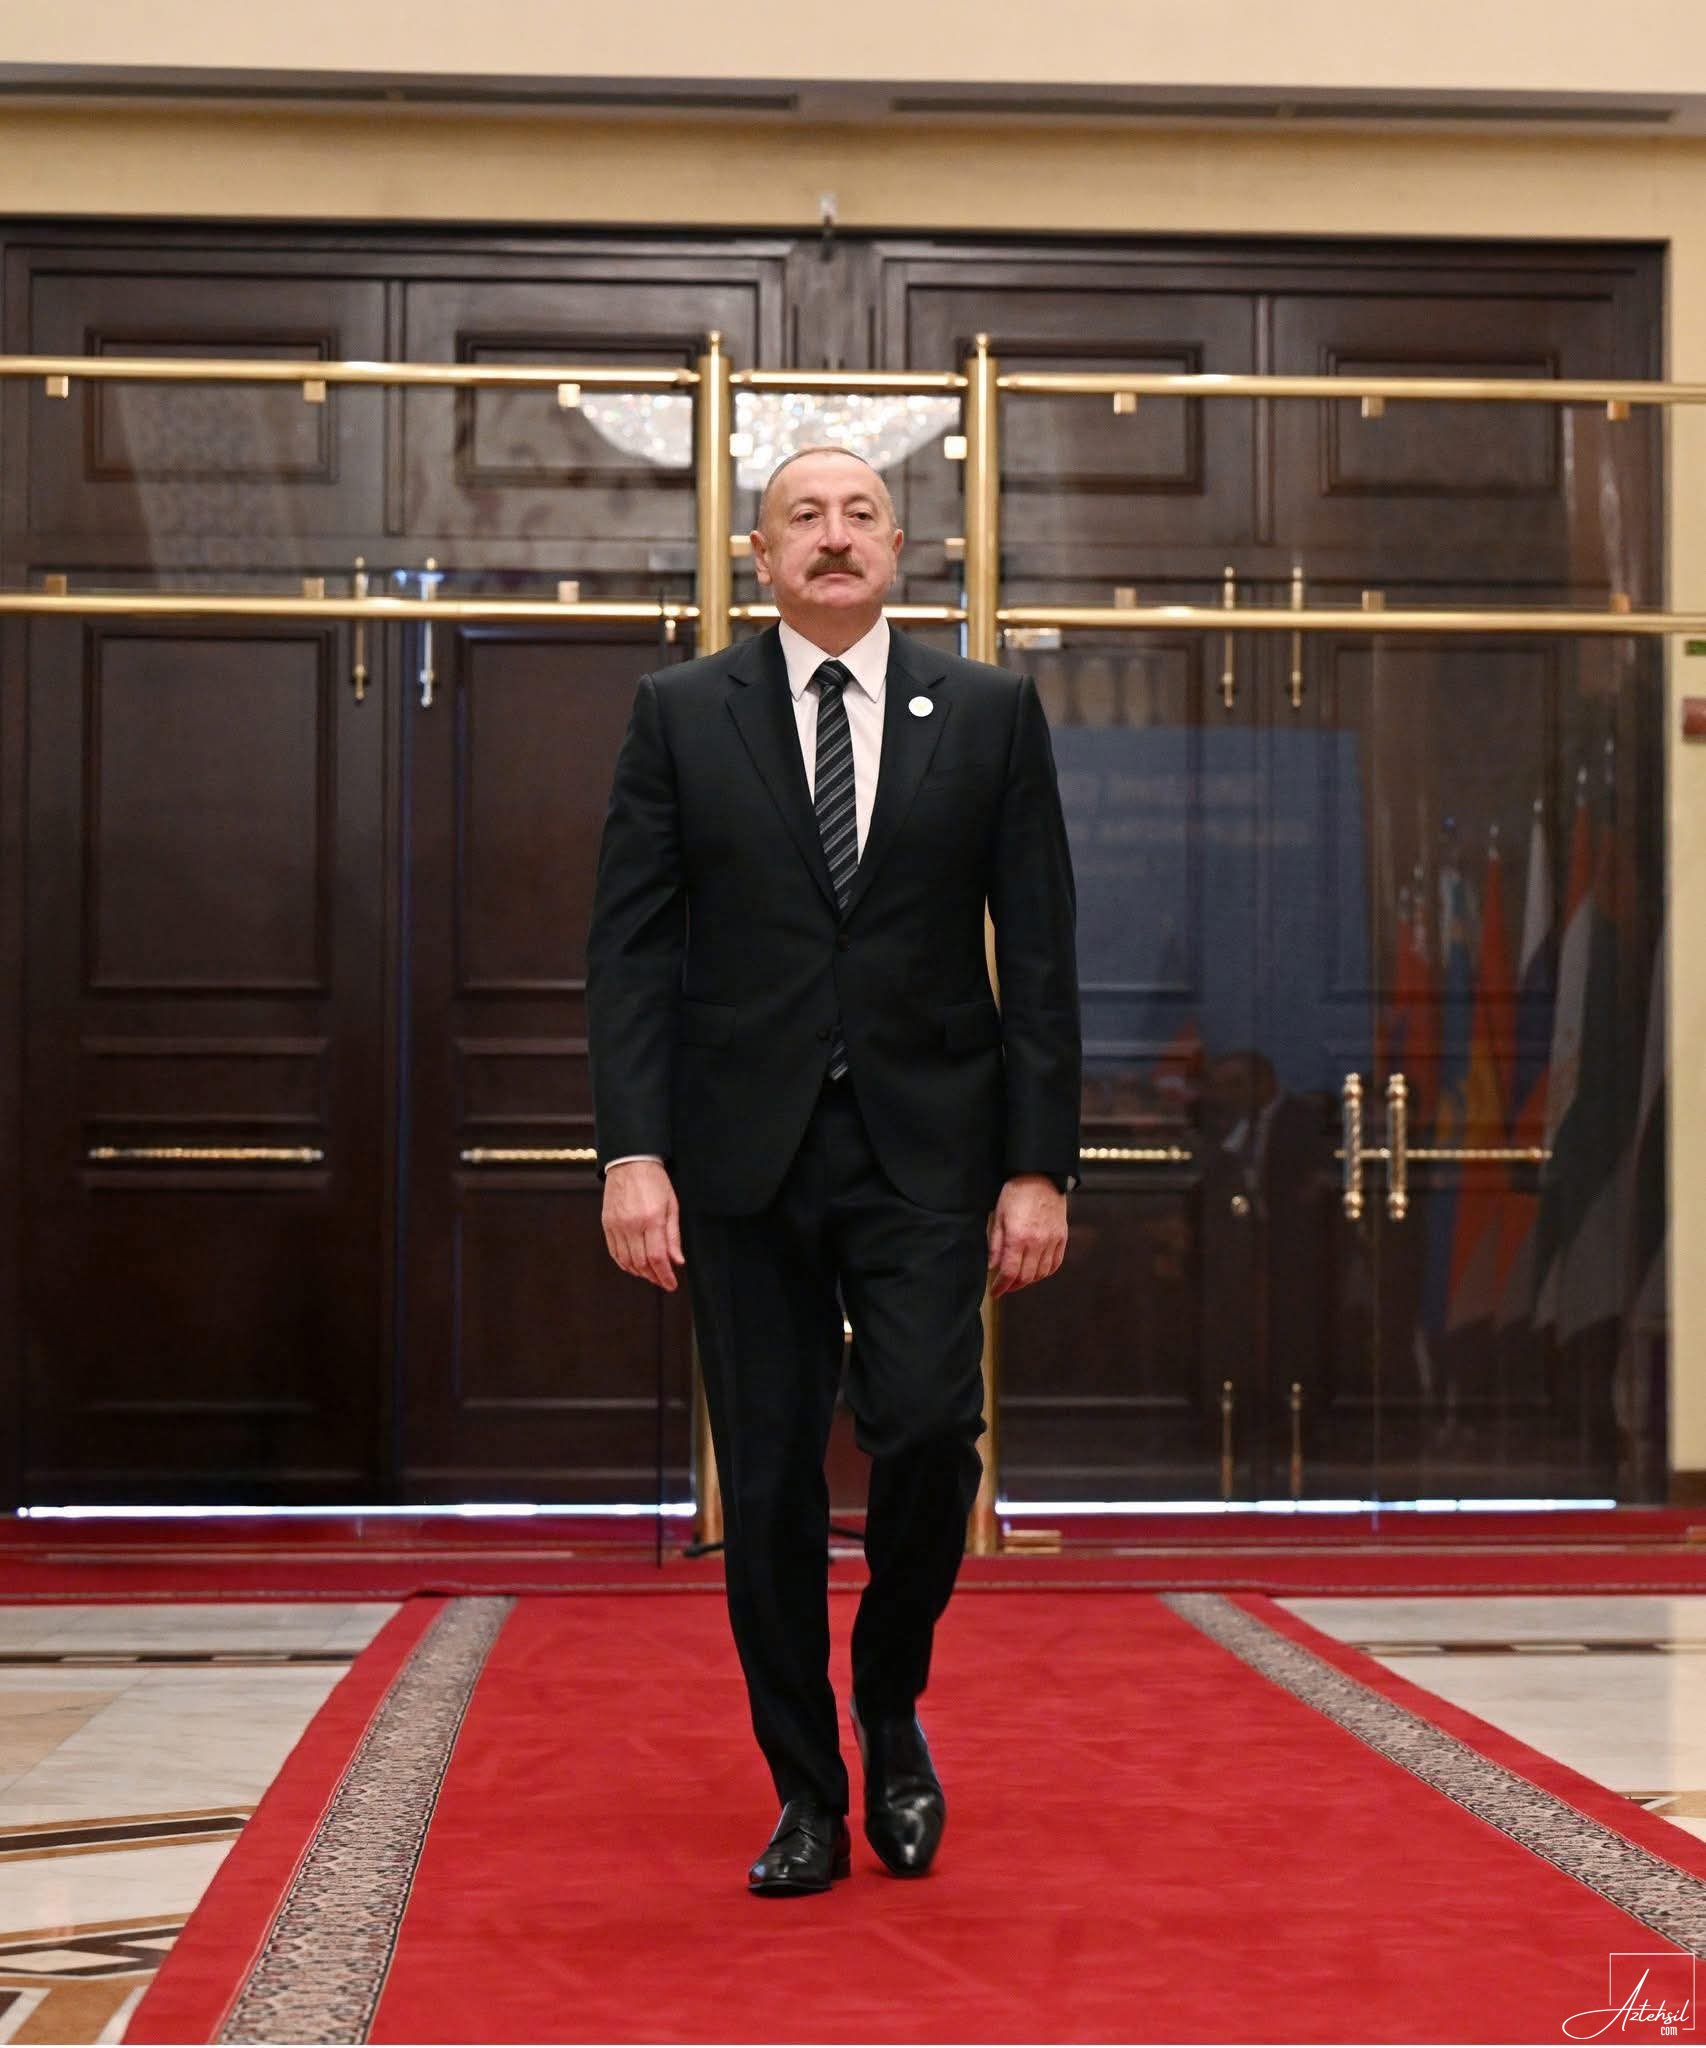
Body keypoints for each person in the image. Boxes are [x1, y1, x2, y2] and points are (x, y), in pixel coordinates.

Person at [586, 445, 1081, 1896]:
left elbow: (1040, 950)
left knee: (926, 1428)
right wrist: (632, 1152)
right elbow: (628, 951)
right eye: (803, 516)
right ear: (760, 555)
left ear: (901, 546)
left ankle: (889, 1699)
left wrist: (1039, 1167)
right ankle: (806, 1791)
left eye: (860, 514)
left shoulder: (985, 710)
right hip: (740, 1157)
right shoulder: (681, 713)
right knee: (769, 1479)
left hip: (927, 1146)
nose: (834, 535)